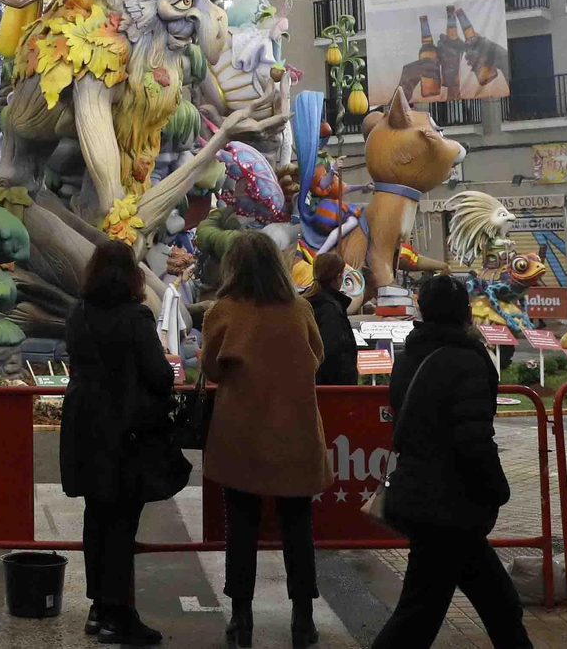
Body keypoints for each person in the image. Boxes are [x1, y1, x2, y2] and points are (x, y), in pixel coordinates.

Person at [369, 273, 532, 649]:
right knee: (419, 616)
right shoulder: (466, 361)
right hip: (447, 505)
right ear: (465, 312)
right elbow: (473, 438)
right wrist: (497, 489)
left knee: (498, 603)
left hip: (428, 497)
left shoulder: (411, 353)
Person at [201, 230, 329, 649]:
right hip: (295, 434)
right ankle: (303, 620)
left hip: (241, 436)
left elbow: (213, 371)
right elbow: (318, 358)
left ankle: (241, 619)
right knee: (298, 529)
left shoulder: (224, 312)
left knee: (241, 529)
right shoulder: (300, 309)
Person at [60, 240, 179, 645]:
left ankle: (98, 608)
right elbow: (160, 376)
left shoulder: (78, 313)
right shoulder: (135, 316)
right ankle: (119, 616)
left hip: (84, 428)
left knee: (96, 519)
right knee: (122, 524)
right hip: (125, 432)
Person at [307, 251, 359, 386]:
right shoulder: (330, 309)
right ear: (338, 277)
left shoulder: (308, 302)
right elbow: (333, 352)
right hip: (334, 390)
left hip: (314, 385)